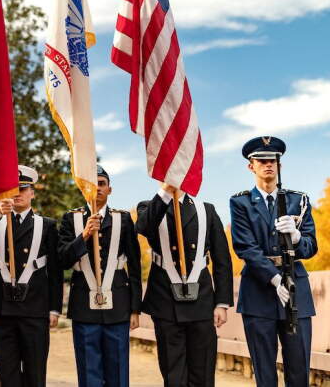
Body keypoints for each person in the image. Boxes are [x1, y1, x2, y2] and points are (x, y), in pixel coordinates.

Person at [230, 136, 317, 387]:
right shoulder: (241, 202)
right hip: (259, 290)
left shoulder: (298, 200)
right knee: (265, 373)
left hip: (296, 290)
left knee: (299, 368)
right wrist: (275, 277)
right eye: (262, 160)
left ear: (280, 165)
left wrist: (298, 236)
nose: (268, 164)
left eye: (273, 160)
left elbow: (311, 247)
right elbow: (245, 247)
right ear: (251, 166)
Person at [136, 182, 233, 387]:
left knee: (203, 373)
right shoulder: (148, 206)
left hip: (202, 300)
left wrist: (222, 303)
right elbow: (143, 227)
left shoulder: (206, 210)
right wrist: (165, 192)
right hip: (165, 301)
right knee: (173, 374)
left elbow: (222, 258)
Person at [58, 164, 142, 387]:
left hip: (118, 305)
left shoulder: (123, 219)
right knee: (88, 372)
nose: (98, 189)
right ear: (85, 190)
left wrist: (135, 308)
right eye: (92, 185)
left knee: (118, 372)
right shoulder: (70, 219)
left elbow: (134, 265)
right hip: (84, 306)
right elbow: (62, 260)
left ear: (110, 189)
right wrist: (84, 235)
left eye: (102, 184)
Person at [0, 165, 63, 387]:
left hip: (35, 309)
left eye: (23, 188)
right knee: (7, 373)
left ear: (32, 192)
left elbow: (55, 271)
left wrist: (54, 308)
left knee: (35, 373)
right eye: (13, 189)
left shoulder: (47, 225)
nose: (18, 193)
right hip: (2, 309)